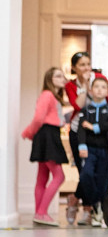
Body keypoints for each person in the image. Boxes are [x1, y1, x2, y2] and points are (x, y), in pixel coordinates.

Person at [65, 51, 108, 226]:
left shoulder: (100, 80)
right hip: (79, 131)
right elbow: (77, 106)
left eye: (88, 64)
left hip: (100, 134)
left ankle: (87, 206)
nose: (86, 68)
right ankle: (89, 209)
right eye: (82, 65)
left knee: (99, 175)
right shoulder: (71, 85)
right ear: (74, 68)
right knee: (85, 173)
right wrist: (86, 86)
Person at [21, 67, 69, 226]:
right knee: (59, 176)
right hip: (47, 135)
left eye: (63, 76)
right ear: (50, 79)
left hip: (49, 134)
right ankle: (41, 213)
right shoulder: (47, 95)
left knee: (42, 176)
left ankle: (39, 213)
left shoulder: (54, 97)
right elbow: (38, 118)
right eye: (58, 76)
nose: (63, 79)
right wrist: (29, 132)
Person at [76, 77, 108, 227]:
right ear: (90, 90)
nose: (100, 89)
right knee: (86, 175)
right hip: (89, 150)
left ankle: (101, 214)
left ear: (107, 92)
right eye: (97, 87)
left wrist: (95, 127)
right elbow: (81, 129)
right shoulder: (86, 110)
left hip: (105, 150)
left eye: (103, 87)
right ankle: (96, 204)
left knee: (103, 180)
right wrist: (82, 146)